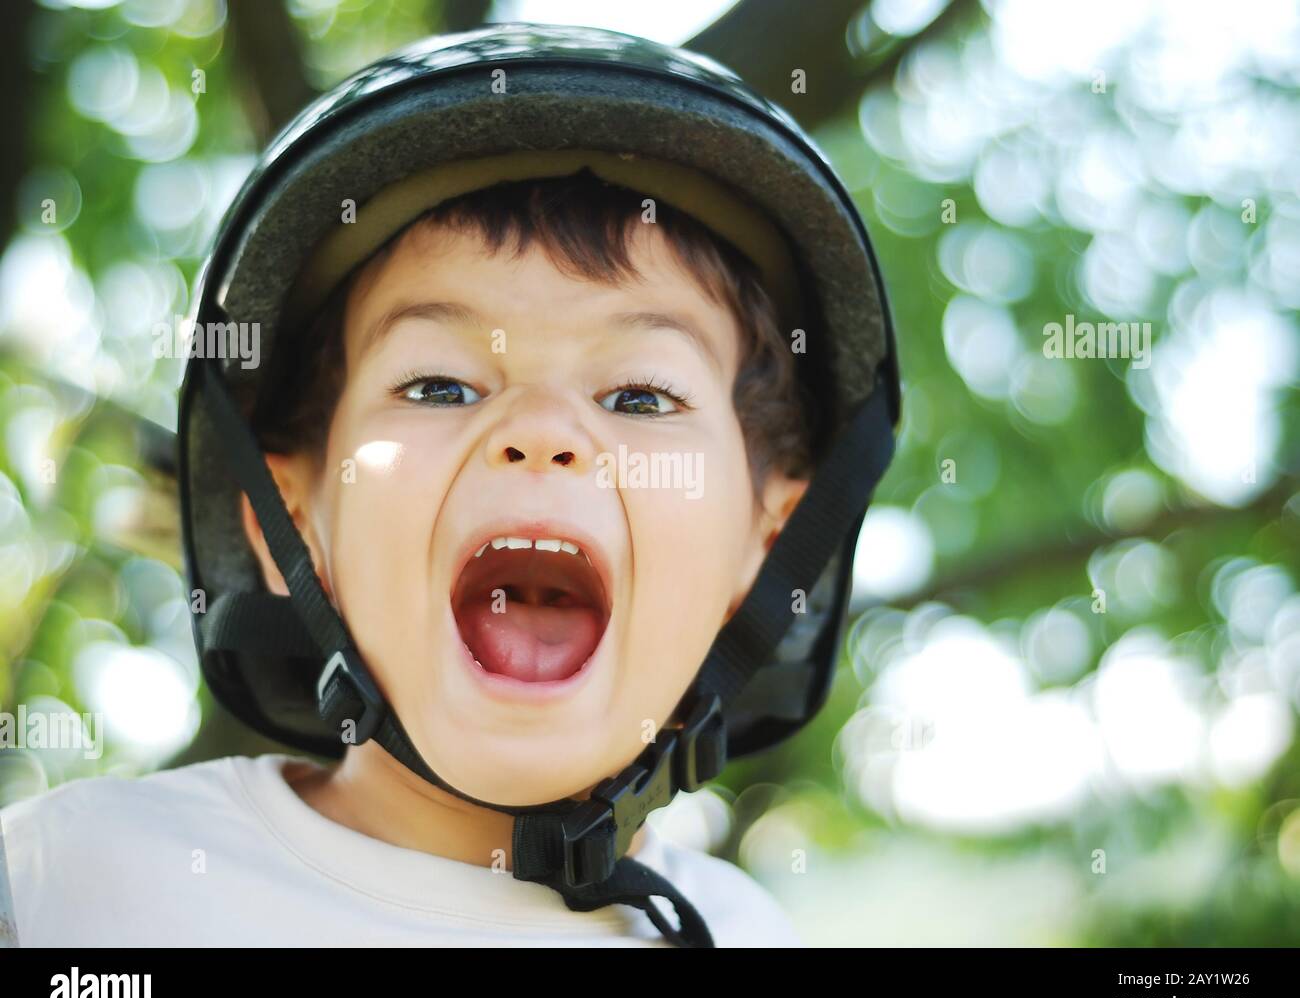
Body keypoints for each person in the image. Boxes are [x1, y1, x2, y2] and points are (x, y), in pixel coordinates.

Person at [0, 23, 900, 948]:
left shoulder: (746, 933)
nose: (541, 432)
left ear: (769, 537)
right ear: (291, 524)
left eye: (639, 394)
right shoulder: (66, 886)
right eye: (438, 386)